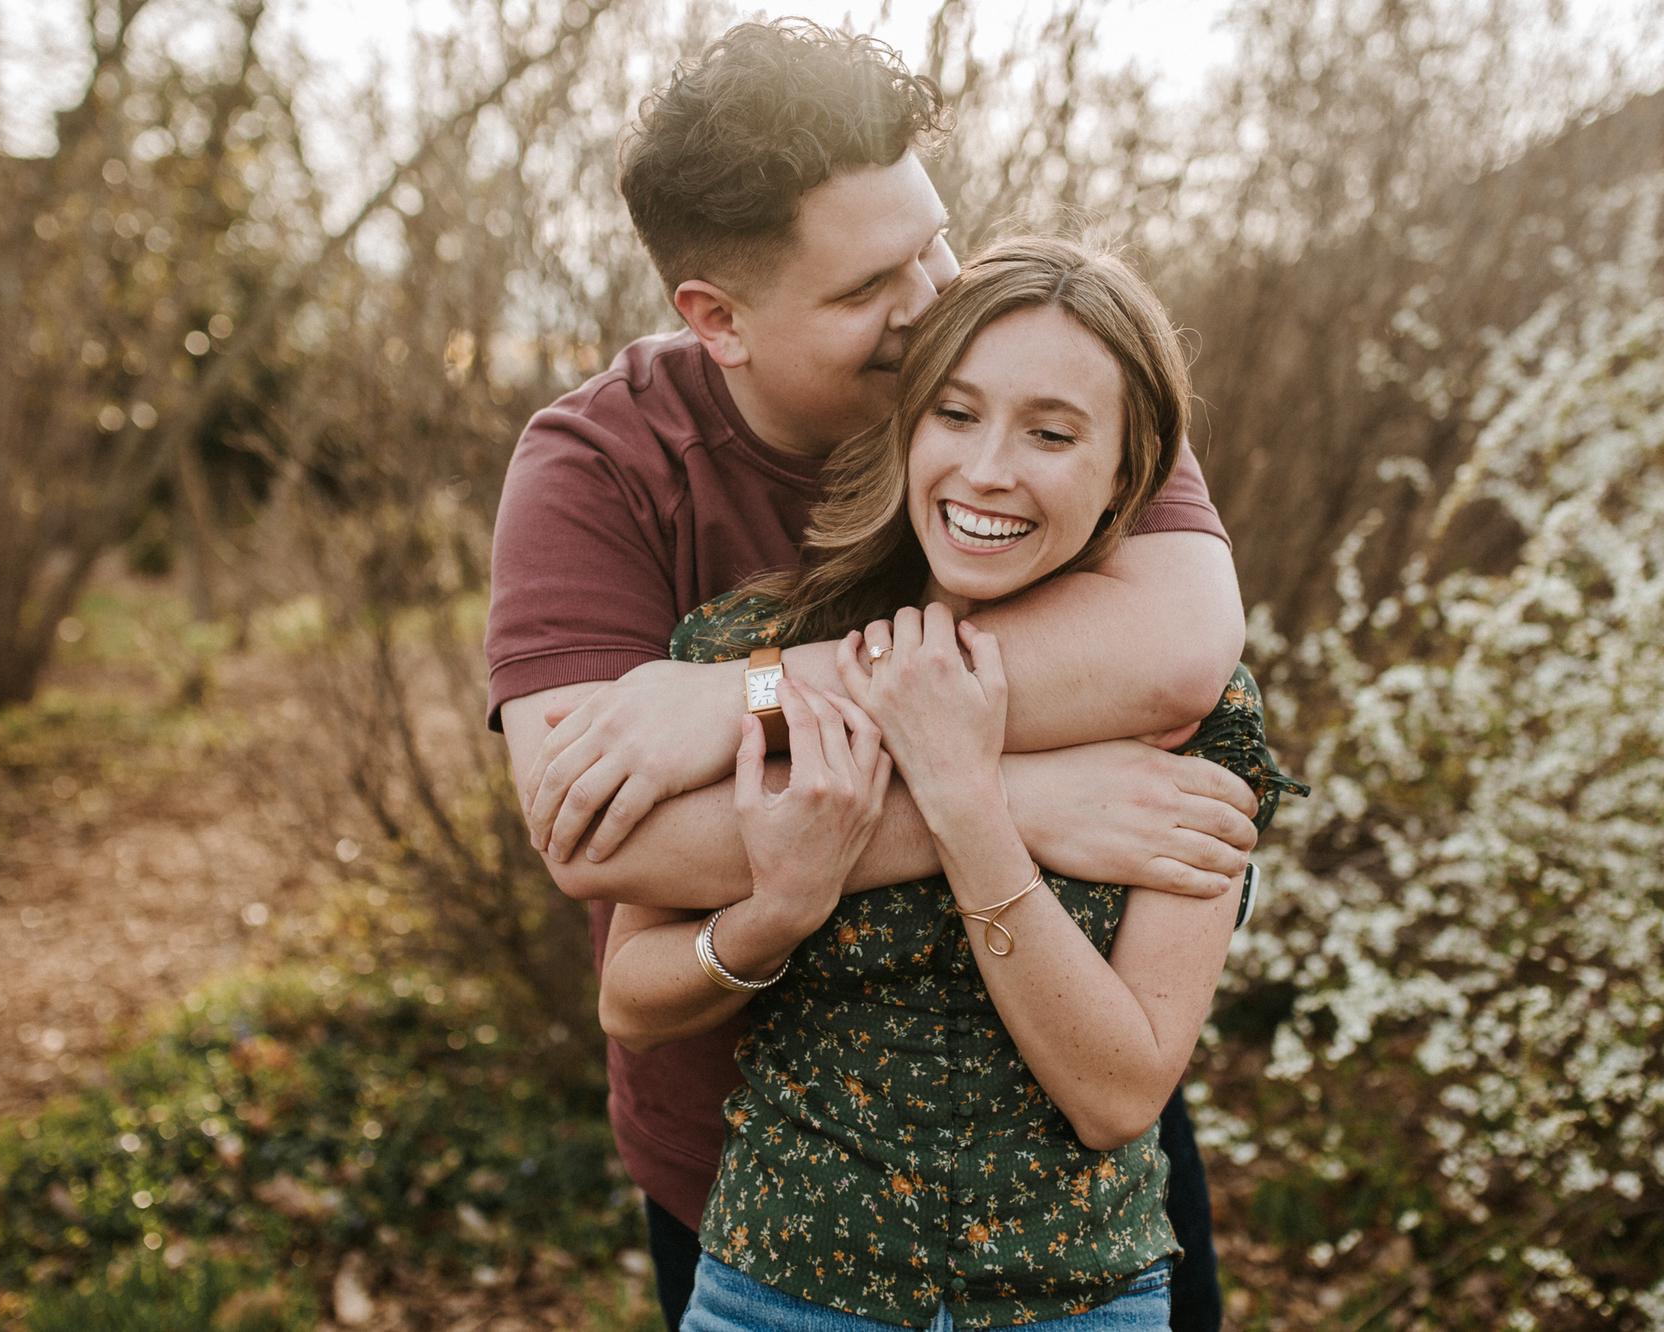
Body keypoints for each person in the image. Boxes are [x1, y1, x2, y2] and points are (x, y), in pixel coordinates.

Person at [484, 21, 1256, 1330]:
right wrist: (1011, 805)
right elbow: (601, 834)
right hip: (757, 1201)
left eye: (932, 242)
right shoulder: (601, 470)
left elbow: (1180, 648)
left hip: (1072, 1184)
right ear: (716, 318)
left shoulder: (1034, 370)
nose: (934, 299)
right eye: (868, 287)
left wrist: (747, 696)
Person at [598, 237, 1306, 1331]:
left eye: (1051, 434)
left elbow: (1118, 1095)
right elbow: (629, 1001)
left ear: (1127, 476)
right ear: (909, 425)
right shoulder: (756, 654)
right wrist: (776, 911)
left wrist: (968, 804)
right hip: (774, 1296)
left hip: (1073, 1306)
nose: (986, 470)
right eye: (957, 414)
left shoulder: (1192, 717)